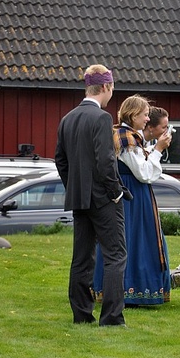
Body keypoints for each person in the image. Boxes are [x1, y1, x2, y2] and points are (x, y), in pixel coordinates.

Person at [54, 64, 128, 327]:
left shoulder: (67, 118)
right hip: (103, 199)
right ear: (106, 86)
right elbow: (106, 161)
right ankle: (112, 318)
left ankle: (81, 315)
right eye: (112, 88)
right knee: (115, 256)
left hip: (79, 198)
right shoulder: (102, 118)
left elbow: (60, 160)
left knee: (82, 258)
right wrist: (115, 192)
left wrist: (73, 186)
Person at [92, 96, 173, 307]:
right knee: (133, 240)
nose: (147, 119)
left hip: (135, 194)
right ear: (133, 115)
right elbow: (144, 173)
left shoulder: (128, 136)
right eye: (144, 115)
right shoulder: (126, 138)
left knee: (133, 239)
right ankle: (130, 290)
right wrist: (158, 150)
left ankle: (128, 289)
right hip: (132, 197)